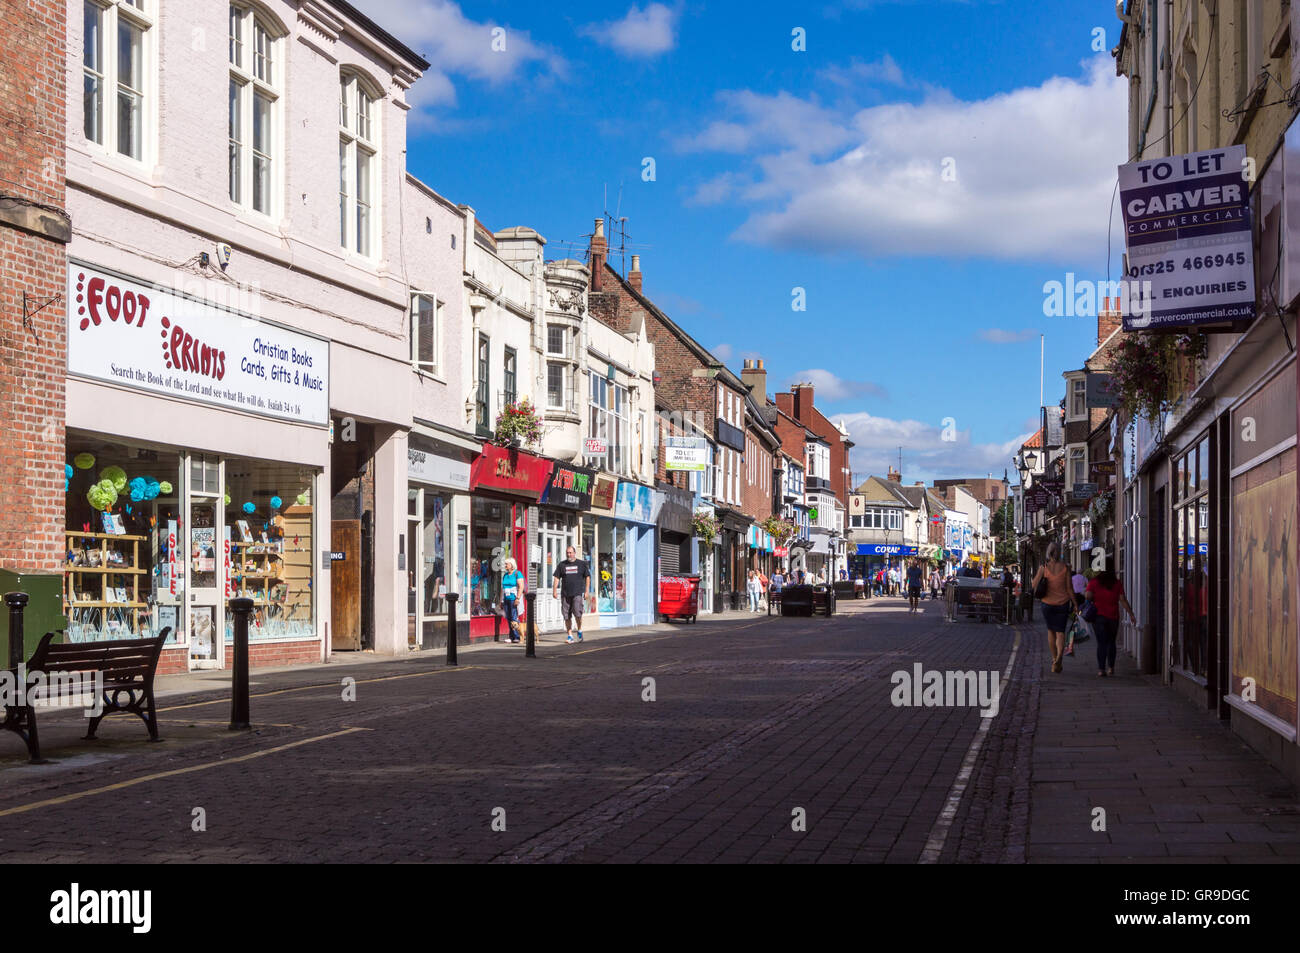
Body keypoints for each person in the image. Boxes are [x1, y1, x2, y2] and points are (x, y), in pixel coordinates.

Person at [1084, 564, 1137, 677]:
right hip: (1113, 617)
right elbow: (1122, 600)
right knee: (1111, 642)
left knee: (1101, 643)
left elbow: (1087, 596)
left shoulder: (1094, 582)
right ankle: (1111, 667)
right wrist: (1131, 614)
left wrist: (1094, 596)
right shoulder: (1116, 583)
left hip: (1098, 617)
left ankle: (1101, 669)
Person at [1031, 543, 1073, 673]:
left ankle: (1054, 659)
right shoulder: (1066, 568)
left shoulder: (1044, 567)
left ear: (1048, 553)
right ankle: (1060, 655)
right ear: (1058, 552)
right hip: (1063, 603)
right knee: (1061, 632)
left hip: (1047, 604)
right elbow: (1070, 589)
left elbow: (1033, 585)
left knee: (1051, 631)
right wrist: (1076, 604)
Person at [551, 545, 591, 644]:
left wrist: (586, 591)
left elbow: (587, 577)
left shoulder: (581, 564)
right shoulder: (562, 565)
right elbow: (556, 577)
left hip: (577, 593)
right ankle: (570, 635)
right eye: (567, 553)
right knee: (566, 615)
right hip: (565, 594)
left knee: (578, 613)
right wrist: (554, 590)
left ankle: (579, 630)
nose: (569, 554)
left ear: (574, 553)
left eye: (570, 552)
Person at [500, 557, 525, 643]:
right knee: (508, 618)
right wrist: (501, 600)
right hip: (506, 599)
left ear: (512, 565)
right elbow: (502, 588)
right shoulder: (505, 575)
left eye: (507, 564)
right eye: (505, 564)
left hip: (513, 598)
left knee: (514, 618)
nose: (505, 565)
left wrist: (517, 598)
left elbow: (521, 586)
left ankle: (517, 636)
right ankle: (511, 636)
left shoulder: (517, 574)